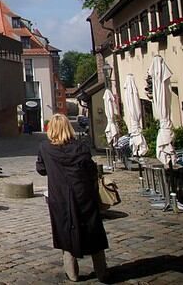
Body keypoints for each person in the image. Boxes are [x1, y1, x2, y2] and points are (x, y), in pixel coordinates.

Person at [36, 114, 108, 282]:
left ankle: (72, 274)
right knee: (93, 232)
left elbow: (41, 169)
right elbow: (91, 171)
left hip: (59, 198)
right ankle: (102, 272)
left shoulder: (45, 148)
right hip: (84, 196)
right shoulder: (81, 147)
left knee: (65, 234)